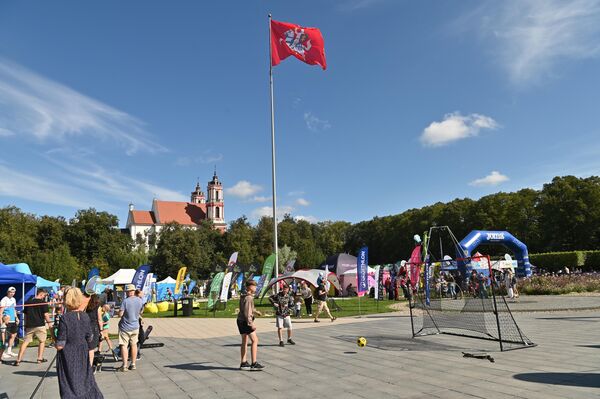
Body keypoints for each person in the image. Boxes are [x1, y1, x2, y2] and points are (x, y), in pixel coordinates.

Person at [55, 287, 103, 398]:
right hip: (82, 352)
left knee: (69, 382)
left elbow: (60, 345)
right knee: (84, 379)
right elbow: (90, 337)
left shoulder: (65, 318)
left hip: (69, 355)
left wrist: (55, 341)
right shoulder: (85, 316)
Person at [15, 288, 52, 366]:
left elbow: (25, 315)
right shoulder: (43, 303)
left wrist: (25, 324)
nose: (44, 297)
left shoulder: (28, 302)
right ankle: (39, 358)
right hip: (40, 325)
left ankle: (18, 360)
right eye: (44, 295)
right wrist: (49, 323)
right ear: (41, 294)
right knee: (42, 341)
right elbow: (46, 315)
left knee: (25, 342)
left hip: (30, 325)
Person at [237, 280, 263, 371]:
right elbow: (247, 313)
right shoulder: (249, 298)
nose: (255, 288)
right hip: (245, 321)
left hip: (240, 320)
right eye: (254, 286)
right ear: (249, 287)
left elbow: (247, 308)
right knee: (255, 340)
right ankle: (254, 363)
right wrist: (251, 325)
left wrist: (256, 311)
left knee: (244, 341)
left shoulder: (244, 296)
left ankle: (243, 362)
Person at [117, 284, 144, 372]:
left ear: (127, 292)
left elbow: (120, 314)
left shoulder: (125, 301)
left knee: (124, 345)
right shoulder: (139, 300)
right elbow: (141, 311)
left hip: (125, 326)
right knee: (134, 345)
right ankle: (133, 364)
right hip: (135, 326)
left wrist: (118, 312)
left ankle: (124, 365)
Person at [0, 287, 19, 359]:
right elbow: (1, 312)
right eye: (10, 292)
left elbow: (14, 309)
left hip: (13, 320)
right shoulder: (4, 300)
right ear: (7, 292)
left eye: (13, 292)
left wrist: (16, 317)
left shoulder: (14, 299)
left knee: (13, 335)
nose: (12, 293)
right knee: (4, 337)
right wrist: (1, 323)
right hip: (6, 321)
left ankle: (9, 350)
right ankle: (2, 352)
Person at [86, 294, 103, 366]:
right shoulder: (97, 307)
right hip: (94, 327)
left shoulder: (86, 306)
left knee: (86, 347)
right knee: (91, 348)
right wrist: (101, 330)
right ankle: (90, 365)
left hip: (86, 327)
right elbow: (99, 319)